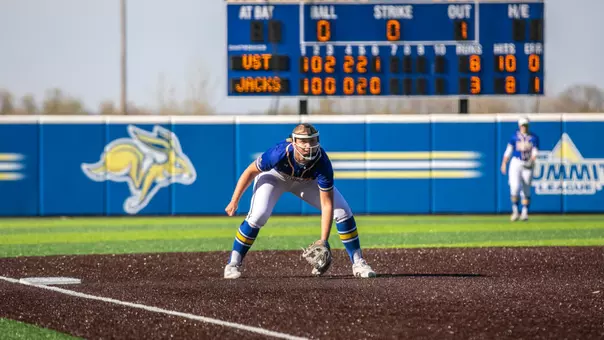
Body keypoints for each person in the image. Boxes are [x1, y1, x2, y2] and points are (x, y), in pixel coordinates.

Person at [223, 123, 376, 279]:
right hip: (275, 177)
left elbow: (327, 204)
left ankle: (358, 263)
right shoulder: (279, 153)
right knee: (258, 215)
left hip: (306, 182)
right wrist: (234, 200)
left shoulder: (322, 162)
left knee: (342, 211)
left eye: (312, 140)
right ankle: (233, 264)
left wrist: (323, 240)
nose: (308, 145)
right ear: (294, 141)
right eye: (303, 141)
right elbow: (250, 171)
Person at [500, 117, 539, 221]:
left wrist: (533, 159)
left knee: (526, 189)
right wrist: (504, 163)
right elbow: (509, 150)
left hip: (528, 163)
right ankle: (515, 211)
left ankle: (525, 213)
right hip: (516, 162)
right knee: (515, 187)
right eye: (522, 125)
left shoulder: (533, 137)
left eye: (525, 125)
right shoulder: (514, 137)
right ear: (519, 126)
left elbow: (535, 151)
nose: (524, 127)